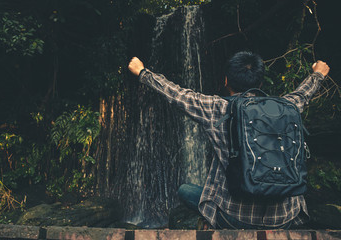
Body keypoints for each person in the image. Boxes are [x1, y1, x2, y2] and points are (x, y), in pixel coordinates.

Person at [128, 51, 330, 229]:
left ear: (226, 81)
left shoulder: (218, 108)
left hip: (233, 217)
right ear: (260, 83)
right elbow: (303, 94)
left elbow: (178, 95)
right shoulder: (287, 107)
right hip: (284, 218)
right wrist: (318, 74)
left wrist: (143, 72)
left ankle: (210, 222)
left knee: (185, 190)